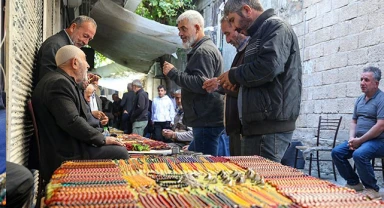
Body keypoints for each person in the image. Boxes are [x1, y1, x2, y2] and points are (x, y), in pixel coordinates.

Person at [218, 0, 302, 162]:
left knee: (261, 184)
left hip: (269, 127)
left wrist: (234, 75)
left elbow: (268, 68)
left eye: (233, 20)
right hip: (259, 126)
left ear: (247, 10)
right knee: (253, 183)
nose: (234, 27)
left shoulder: (276, 27)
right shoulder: (260, 33)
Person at [32, 45, 129, 182]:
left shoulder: (61, 81)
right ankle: (102, 194)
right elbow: (72, 121)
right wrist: (102, 139)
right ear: (75, 63)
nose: (88, 65)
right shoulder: (59, 83)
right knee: (120, 152)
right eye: (85, 60)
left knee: (117, 146)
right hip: (66, 153)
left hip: (69, 146)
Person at [162, 10, 224, 156]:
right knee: (198, 162)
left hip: (206, 119)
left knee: (203, 168)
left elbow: (201, 84)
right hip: (205, 120)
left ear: (197, 28)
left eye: (184, 29)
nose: (180, 34)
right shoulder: (202, 49)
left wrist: (173, 73)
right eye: (179, 29)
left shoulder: (203, 51)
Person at [332, 67, 384, 200]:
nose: (362, 82)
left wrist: (359, 141)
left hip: (378, 141)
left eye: (366, 80)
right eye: (361, 79)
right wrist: (351, 139)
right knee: (337, 152)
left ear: (376, 83)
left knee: (359, 154)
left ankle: (372, 189)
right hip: (360, 139)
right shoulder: (360, 100)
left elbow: (380, 126)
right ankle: (354, 183)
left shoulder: (381, 99)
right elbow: (354, 121)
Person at [203, 17, 249, 156]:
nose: (227, 40)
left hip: (245, 128)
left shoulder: (251, 52)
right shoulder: (241, 53)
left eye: (228, 34)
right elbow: (236, 87)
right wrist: (220, 85)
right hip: (236, 127)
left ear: (239, 28)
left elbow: (246, 89)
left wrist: (222, 84)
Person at [34, 15, 97, 87]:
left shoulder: (63, 46)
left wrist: (81, 78)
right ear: (73, 27)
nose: (86, 42)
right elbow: (50, 82)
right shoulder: (56, 46)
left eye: (89, 39)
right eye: (85, 36)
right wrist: (79, 83)